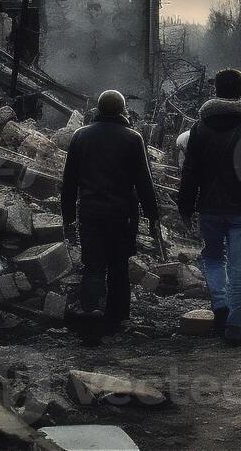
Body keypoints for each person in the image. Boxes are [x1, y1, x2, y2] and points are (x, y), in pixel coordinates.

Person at [177, 68, 241, 345]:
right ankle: (235, 326)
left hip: (209, 208)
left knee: (212, 258)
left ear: (215, 91)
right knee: (240, 269)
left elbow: (191, 172)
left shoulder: (199, 128)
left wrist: (185, 208)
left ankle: (220, 307)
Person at [60, 90, 160, 338]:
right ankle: (118, 319)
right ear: (123, 111)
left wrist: (68, 216)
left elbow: (69, 181)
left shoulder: (80, 136)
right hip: (122, 215)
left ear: (98, 109)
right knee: (119, 267)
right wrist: (152, 214)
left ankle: (91, 314)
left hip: (90, 212)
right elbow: (143, 182)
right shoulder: (133, 138)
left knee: (93, 266)